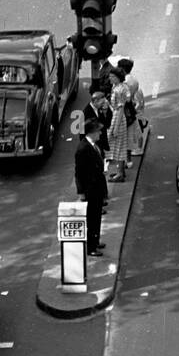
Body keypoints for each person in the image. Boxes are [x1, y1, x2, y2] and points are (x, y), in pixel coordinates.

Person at [74, 120, 109, 256]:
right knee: (92, 218)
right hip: (90, 189)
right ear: (92, 133)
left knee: (97, 216)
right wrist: (81, 192)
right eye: (98, 131)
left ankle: (96, 240)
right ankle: (91, 247)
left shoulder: (94, 145)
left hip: (97, 186)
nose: (100, 133)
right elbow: (79, 172)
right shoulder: (83, 149)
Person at [117, 58, 146, 164]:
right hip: (131, 109)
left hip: (126, 110)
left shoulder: (124, 82)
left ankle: (126, 159)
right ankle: (131, 155)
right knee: (134, 132)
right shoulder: (134, 80)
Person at [105, 66, 130, 182]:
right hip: (116, 116)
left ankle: (120, 173)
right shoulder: (118, 87)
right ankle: (120, 171)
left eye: (112, 77)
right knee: (118, 145)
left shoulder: (119, 90)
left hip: (118, 119)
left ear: (117, 77)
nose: (110, 78)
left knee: (119, 145)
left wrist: (115, 127)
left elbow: (120, 109)